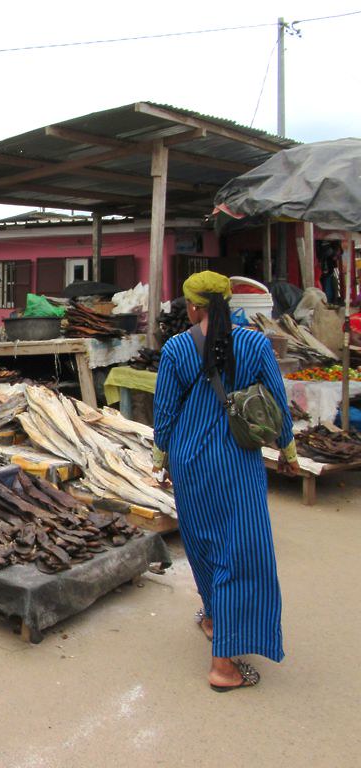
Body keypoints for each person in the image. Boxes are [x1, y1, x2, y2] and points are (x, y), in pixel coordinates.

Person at [152, 270, 298, 693]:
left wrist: (161, 459)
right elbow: (276, 403)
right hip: (236, 460)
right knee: (241, 551)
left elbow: (164, 413)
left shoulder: (178, 348)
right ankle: (223, 666)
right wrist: (287, 451)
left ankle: (215, 620)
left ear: (194, 306)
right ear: (228, 303)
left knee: (203, 544)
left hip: (190, 461)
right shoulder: (254, 344)